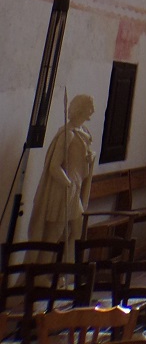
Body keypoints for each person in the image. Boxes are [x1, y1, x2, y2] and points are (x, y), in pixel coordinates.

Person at [28, 94, 96, 258]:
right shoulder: (68, 135)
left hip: (74, 188)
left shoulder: (83, 132)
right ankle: (42, 274)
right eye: (89, 106)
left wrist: (90, 158)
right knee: (54, 234)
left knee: (77, 229)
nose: (92, 111)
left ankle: (65, 270)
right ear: (80, 109)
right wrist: (67, 183)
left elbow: (83, 156)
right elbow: (54, 166)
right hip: (62, 190)